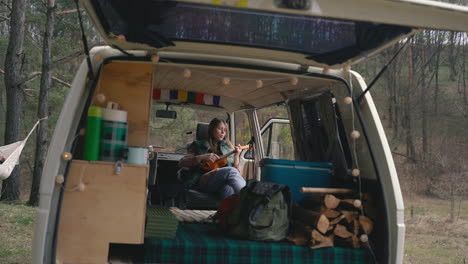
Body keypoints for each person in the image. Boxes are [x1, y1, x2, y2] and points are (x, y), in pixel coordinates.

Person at [179, 118, 246, 199]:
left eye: (225, 130)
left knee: (228, 189)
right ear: (211, 129)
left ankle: (230, 210)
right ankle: (247, 198)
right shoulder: (198, 144)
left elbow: (238, 173)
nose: (223, 132)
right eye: (219, 129)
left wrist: (236, 156)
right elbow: (182, 162)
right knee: (230, 170)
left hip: (222, 181)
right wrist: (201, 157)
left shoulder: (228, 147)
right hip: (204, 179)